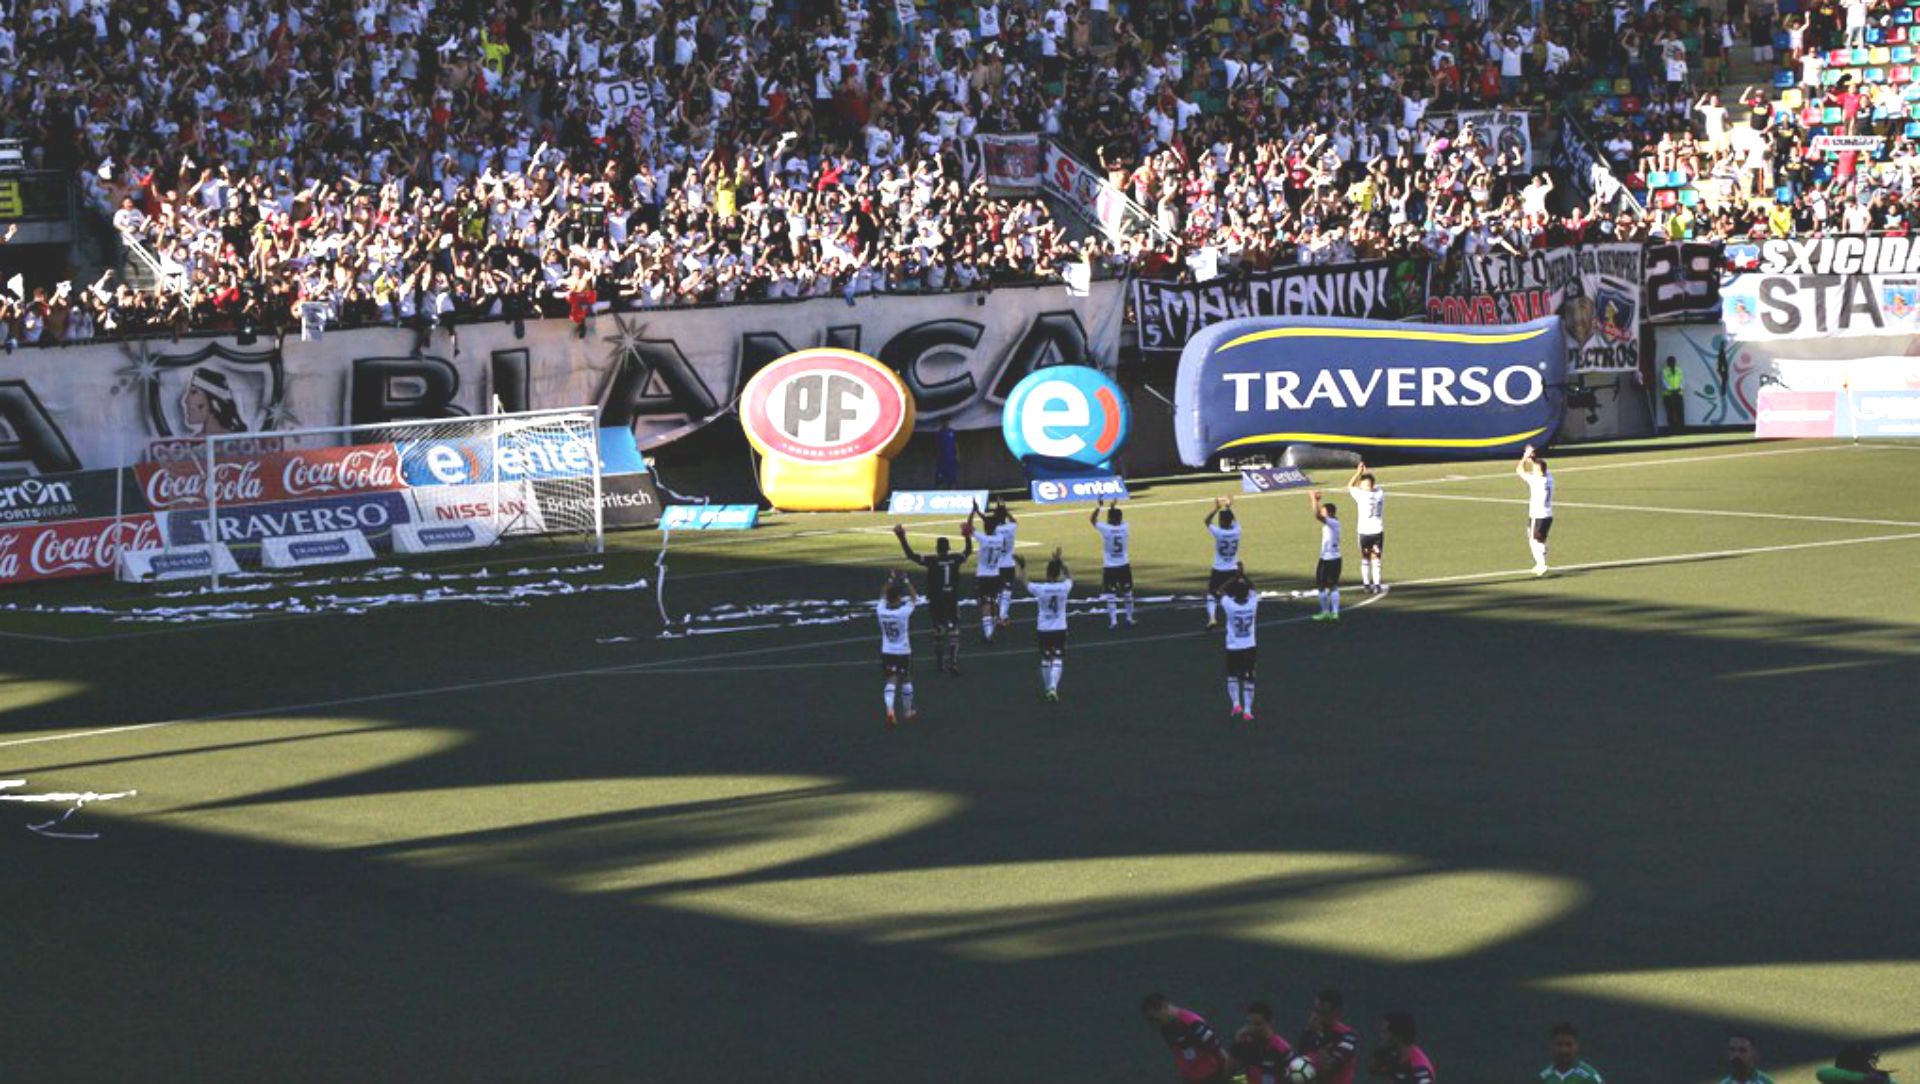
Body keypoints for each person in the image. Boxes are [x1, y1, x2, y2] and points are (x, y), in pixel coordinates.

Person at [894, 522, 973, 674]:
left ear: (937, 549)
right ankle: (953, 662)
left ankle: (939, 663)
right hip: (951, 599)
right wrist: (967, 536)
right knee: (954, 630)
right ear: (948, 548)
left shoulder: (932, 561)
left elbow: (911, 555)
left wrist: (902, 538)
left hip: (937, 601)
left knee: (938, 630)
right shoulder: (955, 559)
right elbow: (968, 551)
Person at [1019, 547, 1073, 702]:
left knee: (1045, 658)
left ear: (1047, 573)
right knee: (1058, 658)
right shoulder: (1064, 587)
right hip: (1060, 627)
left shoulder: (1040, 588)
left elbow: (1025, 581)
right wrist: (1060, 561)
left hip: (1043, 628)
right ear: (1057, 574)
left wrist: (1022, 566)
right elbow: (1070, 576)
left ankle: (1048, 688)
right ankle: (1053, 687)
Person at [1141, 993, 1230, 1084]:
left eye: (1153, 1018)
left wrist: (1227, 1077)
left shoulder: (1192, 1023)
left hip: (1212, 1076)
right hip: (1192, 1079)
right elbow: (1181, 1055)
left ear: (1163, 1008)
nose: (1153, 1023)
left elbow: (1219, 1051)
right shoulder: (1166, 1029)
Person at [876, 572, 919, 727]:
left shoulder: (881, 611)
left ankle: (889, 710)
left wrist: (890, 580)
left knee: (890, 680)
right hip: (903, 651)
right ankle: (907, 712)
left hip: (887, 651)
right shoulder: (903, 612)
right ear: (899, 598)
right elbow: (915, 598)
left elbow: (881, 595)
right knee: (906, 679)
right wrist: (906, 581)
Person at [1296, 989, 1361, 1084]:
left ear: (1336, 1013)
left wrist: (1318, 1035)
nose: (1317, 1017)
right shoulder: (1309, 1034)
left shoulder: (1348, 1037)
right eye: (1315, 1011)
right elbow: (1298, 1064)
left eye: (1323, 1013)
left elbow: (1329, 1067)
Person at [1221, 567, 1260, 720]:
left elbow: (1221, 590)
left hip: (1233, 647)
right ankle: (1248, 711)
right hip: (1249, 646)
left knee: (1232, 676)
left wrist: (1234, 577)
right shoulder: (1252, 603)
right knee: (1249, 678)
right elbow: (1254, 588)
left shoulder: (1230, 605)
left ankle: (1236, 704)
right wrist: (1243, 575)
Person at [966, 502, 1009, 642]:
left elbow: (968, 527)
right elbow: (993, 525)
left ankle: (988, 632)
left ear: (985, 528)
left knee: (985, 603)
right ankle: (995, 623)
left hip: (983, 575)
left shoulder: (983, 539)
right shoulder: (1000, 539)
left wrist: (973, 513)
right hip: (995, 574)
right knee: (993, 601)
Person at [1091, 498, 1135, 628]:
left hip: (1110, 566)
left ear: (1109, 519)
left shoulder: (1106, 529)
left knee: (1111, 595)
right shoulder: (1125, 527)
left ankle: (1113, 621)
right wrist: (1112, 507)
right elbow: (1116, 520)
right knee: (1127, 593)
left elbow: (1093, 520)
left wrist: (1099, 507)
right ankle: (1129, 618)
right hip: (1124, 565)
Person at [1346, 461, 1387, 593]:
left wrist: (1358, 473)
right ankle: (1377, 585)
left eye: (1363, 484)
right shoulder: (1380, 493)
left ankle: (1366, 585)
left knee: (1365, 558)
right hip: (1378, 531)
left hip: (1364, 532)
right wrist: (1365, 476)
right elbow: (1369, 486)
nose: (1361, 486)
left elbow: (1350, 485)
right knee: (1376, 558)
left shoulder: (1361, 495)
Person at [1229, 1001, 1295, 1084]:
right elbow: (1228, 1073)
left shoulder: (1281, 1049)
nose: (1253, 1028)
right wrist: (1235, 1045)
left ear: (1270, 1023)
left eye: (1258, 1024)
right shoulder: (1245, 1044)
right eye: (1249, 1023)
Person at [1203, 497, 1243, 629]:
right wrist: (1228, 507)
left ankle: (1212, 618)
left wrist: (1216, 508)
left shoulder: (1218, 532)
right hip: (1233, 568)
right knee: (1231, 594)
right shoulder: (1237, 531)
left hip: (1218, 568)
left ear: (1220, 521)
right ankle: (1234, 619)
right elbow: (1235, 521)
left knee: (1211, 593)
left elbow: (1207, 521)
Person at [1517, 445, 1555, 576]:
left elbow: (1519, 470)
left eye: (1535, 469)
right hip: (1548, 515)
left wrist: (1525, 457)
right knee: (1538, 539)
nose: (1533, 470)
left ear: (1539, 471)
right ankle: (1541, 555)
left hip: (1537, 515)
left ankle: (1541, 564)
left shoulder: (1536, 481)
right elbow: (1541, 466)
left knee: (1533, 541)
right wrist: (1532, 457)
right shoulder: (1549, 477)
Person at [1369, 1010, 1435, 1083]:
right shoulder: (1388, 1055)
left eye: (1385, 1032)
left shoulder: (1420, 1069)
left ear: (1397, 1036)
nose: (1381, 1036)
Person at [1309, 490, 1343, 622]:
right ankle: (1334, 613)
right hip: (1336, 558)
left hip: (1327, 559)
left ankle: (1326, 612)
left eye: (1324, 511)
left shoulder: (1332, 523)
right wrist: (1317, 501)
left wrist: (1314, 500)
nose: (1322, 513)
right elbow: (1318, 514)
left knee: (1323, 586)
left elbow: (1317, 515)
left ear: (1330, 513)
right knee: (1333, 585)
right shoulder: (1334, 523)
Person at [1540, 1022, 1605, 1084]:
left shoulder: (1590, 1077)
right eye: (1559, 1044)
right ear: (1552, 1046)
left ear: (1576, 1046)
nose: (1564, 1050)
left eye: (1568, 1045)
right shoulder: (1544, 1077)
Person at [992, 498, 1021, 631]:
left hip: (997, 564)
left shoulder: (994, 529)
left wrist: (999, 509)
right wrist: (1005, 510)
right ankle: (1003, 615)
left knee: (997, 590)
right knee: (1007, 591)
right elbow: (1014, 521)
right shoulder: (1011, 527)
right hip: (1009, 563)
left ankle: (997, 616)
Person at [1661, 357, 1686, 434]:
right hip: (1668, 395)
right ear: (1668, 363)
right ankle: (1672, 431)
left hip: (1678, 394)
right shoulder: (1664, 371)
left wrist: (1679, 388)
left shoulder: (1679, 370)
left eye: (1673, 362)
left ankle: (1681, 430)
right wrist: (1671, 389)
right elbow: (1663, 382)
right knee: (1670, 413)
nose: (1672, 363)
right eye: (1670, 362)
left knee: (1680, 412)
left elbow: (1683, 380)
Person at [934, 421, 959, 488]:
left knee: (952, 477)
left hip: (951, 458)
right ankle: (940, 490)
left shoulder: (952, 432)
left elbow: (955, 444)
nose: (946, 424)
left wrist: (957, 455)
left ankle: (952, 489)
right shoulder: (939, 433)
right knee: (940, 477)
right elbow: (937, 446)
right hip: (942, 459)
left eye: (947, 422)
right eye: (944, 422)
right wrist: (937, 456)